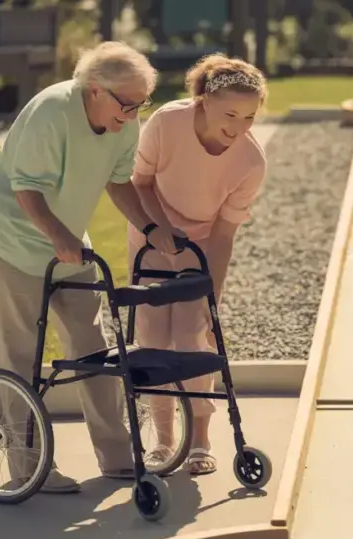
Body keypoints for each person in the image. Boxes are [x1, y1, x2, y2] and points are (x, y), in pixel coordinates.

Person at [0, 41, 169, 493]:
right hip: (12, 242)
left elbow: (119, 183)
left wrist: (152, 229)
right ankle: (26, 467)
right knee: (17, 354)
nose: (134, 113)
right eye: (127, 103)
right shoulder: (51, 111)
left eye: (142, 103)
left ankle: (118, 456)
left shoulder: (123, 122)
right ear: (94, 90)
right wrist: (60, 238)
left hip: (70, 246)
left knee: (94, 346)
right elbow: (27, 190)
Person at [126, 53, 269, 476]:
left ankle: (200, 438)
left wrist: (213, 296)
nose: (239, 127)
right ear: (204, 100)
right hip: (150, 237)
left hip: (201, 248)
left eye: (249, 117)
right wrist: (159, 230)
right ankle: (166, 440)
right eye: (230, 114)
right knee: (151, 338)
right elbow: (141, 183)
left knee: (192, 337)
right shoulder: (167, 122)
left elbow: (224, 236)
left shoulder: (251, 162)